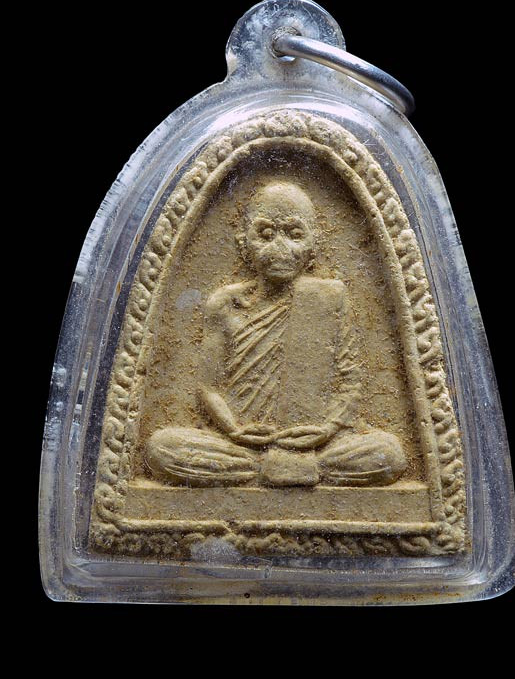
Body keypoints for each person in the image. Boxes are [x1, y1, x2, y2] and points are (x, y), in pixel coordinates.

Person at [146, 181, 406, 487]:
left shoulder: (329, 299)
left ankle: (288, 468)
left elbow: (350, 381)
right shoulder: (225, 303)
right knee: (161, 449)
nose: (280, 248)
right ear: (244, 243)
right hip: (242, 446)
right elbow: (209, 386)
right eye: (266, 234)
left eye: (294, 235)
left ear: (314, 243)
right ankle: (279, 469)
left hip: (314, 446)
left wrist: (326, 429)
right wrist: (234, 430)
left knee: (389, 453)